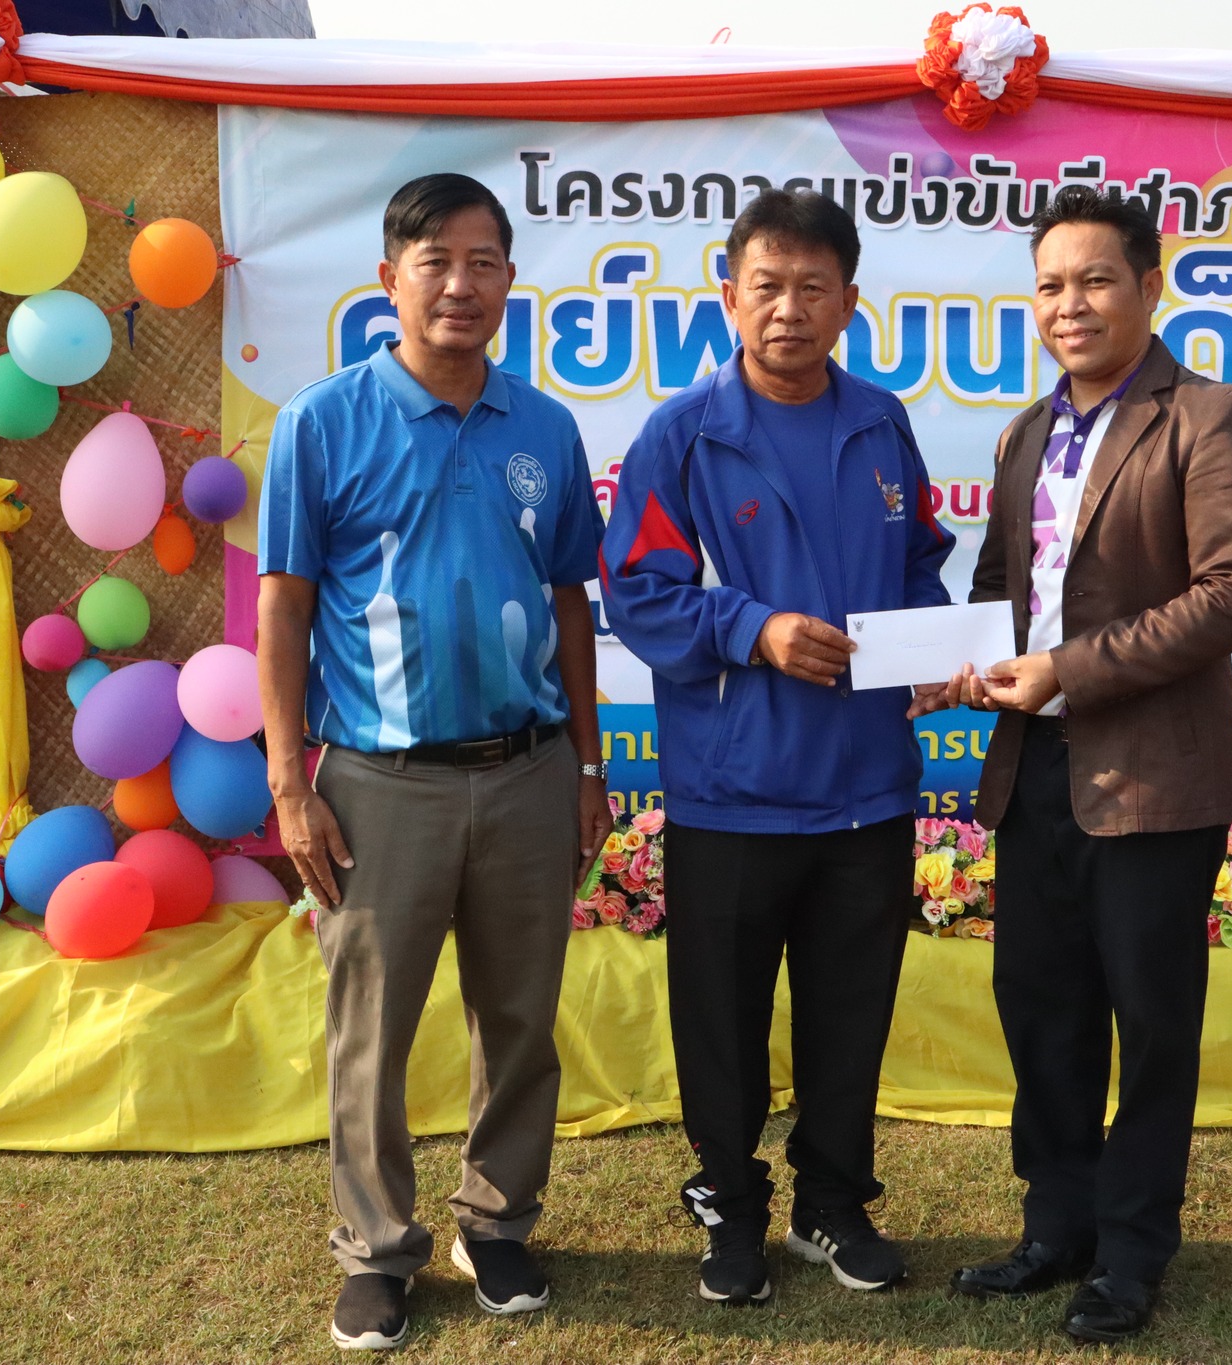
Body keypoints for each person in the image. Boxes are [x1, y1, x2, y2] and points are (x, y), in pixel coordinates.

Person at [914, 185, 1232, 1344]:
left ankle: (1129, 1252)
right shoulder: (1024, 433)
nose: (1067, 305)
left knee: (1149, 1025)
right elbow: (998, 593)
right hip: (1034, 775)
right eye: (1048, 286)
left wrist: (1066, 668)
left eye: (1092, 280)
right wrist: (950, 666)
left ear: (1147, 286)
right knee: (1041, 1012)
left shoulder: (1209, 417)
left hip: (1154, 781)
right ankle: (1054, 1228)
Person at [256, 172, 611, 1352]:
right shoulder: (323, 422)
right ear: (389, 279)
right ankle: (375, 1251)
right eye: (434, 262)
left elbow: (568, 600)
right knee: (371, 1031)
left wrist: (587, 767)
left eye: (482, 262)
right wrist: (289, 784)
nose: (460, 284)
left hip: (526, 772)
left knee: (519, 1018)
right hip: (377, 784)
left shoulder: (544, 428)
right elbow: (282, 608)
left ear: (509, 279)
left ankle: (498, 1224)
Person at [601, 189, 954, 1306]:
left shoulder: (880, 422)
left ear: (849, 303)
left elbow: (918, 563)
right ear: (728, 296)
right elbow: (638, 593)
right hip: (732, 791)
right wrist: (752, 629)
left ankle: (831, 1202)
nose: (788, 309)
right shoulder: (682, 435)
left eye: (812, 288)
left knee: (852, 1013)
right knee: (722, 1021)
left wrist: (932, 647)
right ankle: (730, 1202)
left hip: (867, 788)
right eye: (766, 286)